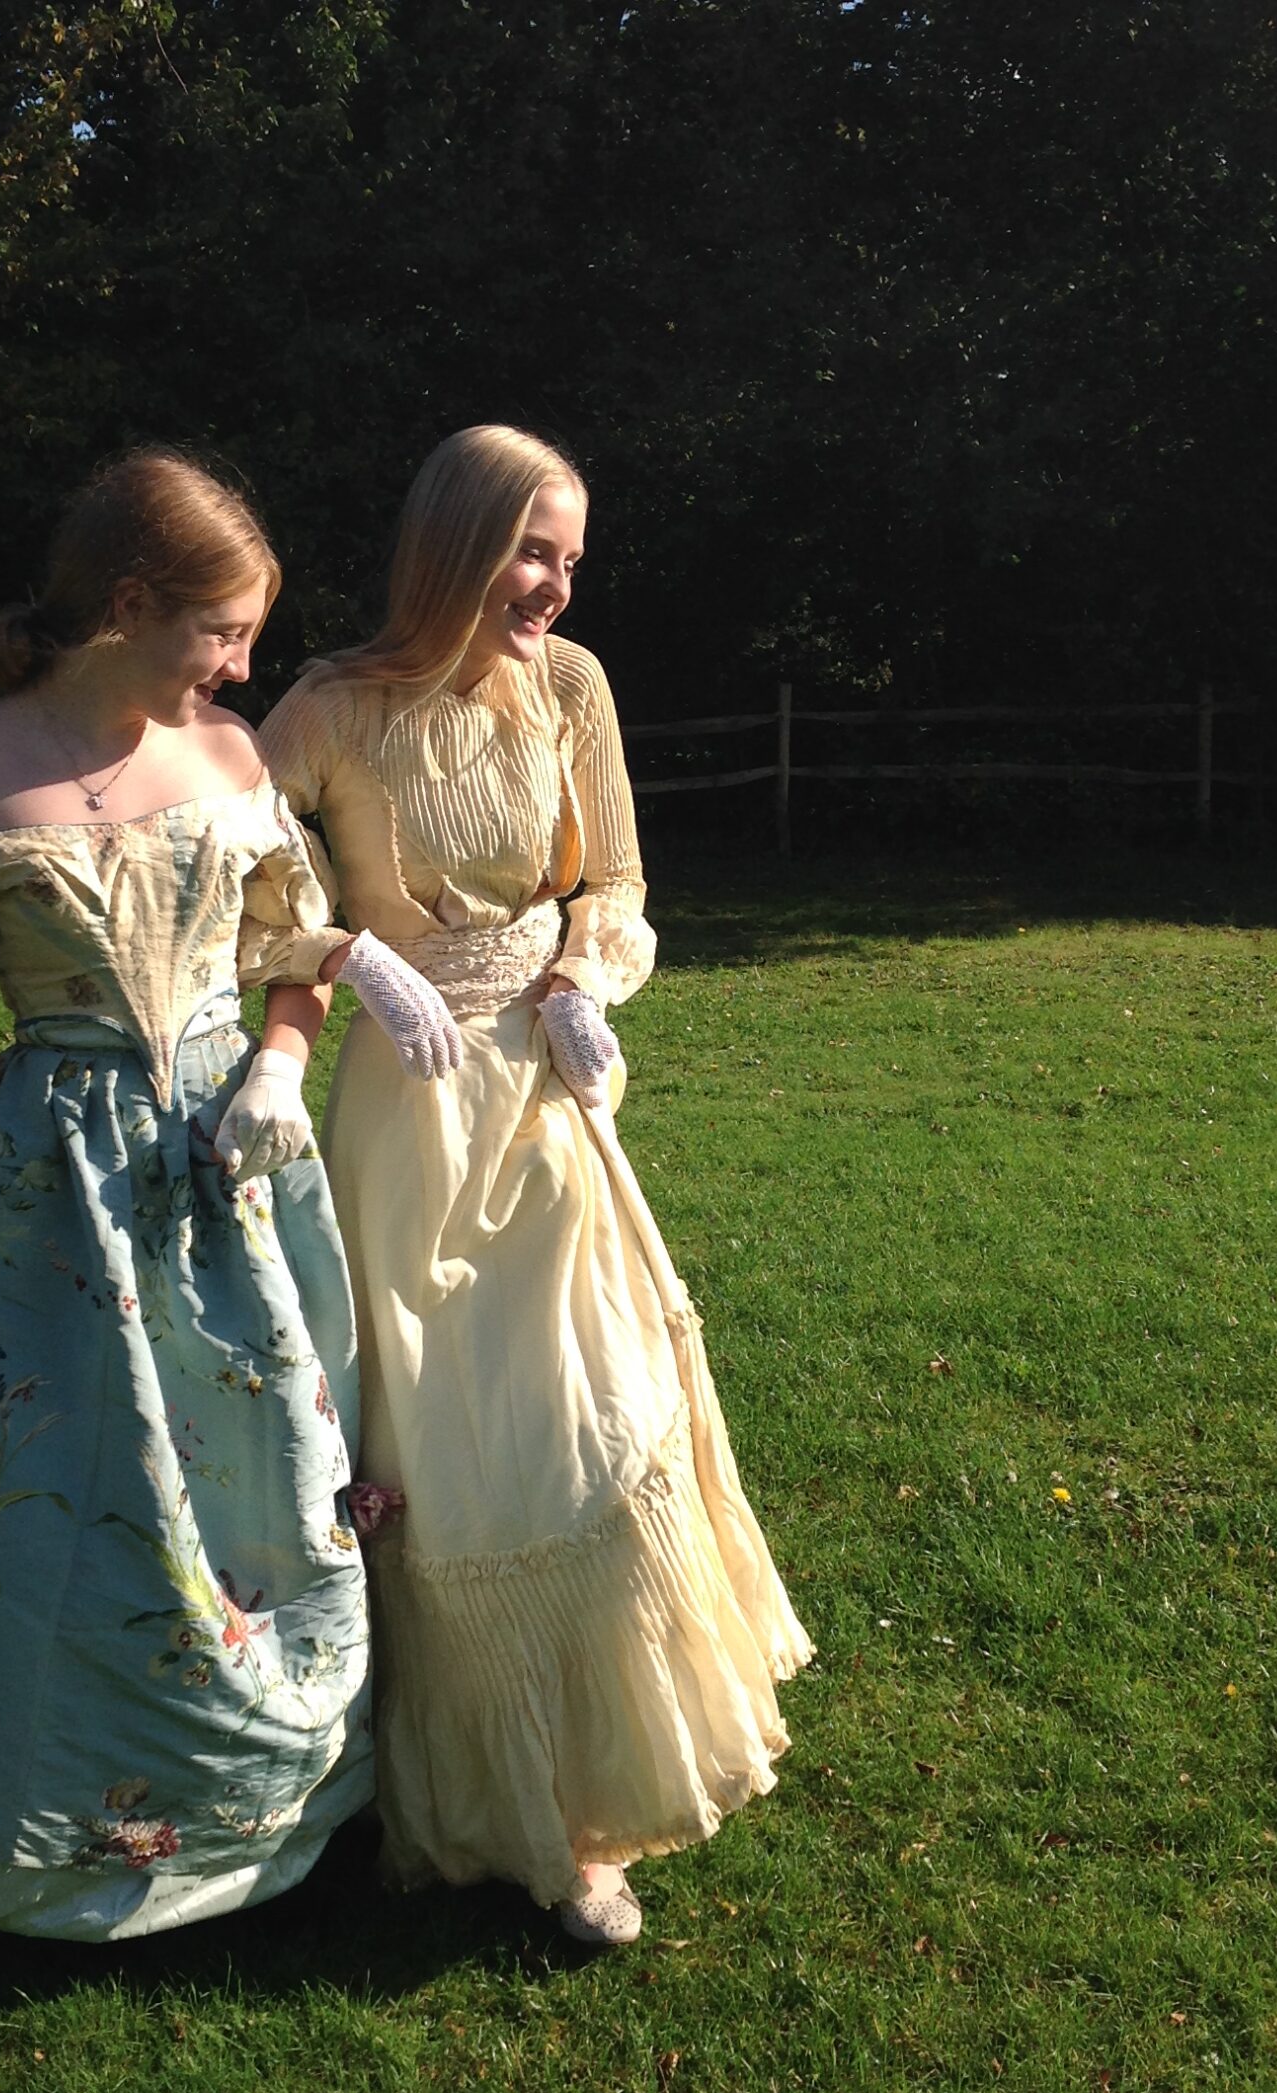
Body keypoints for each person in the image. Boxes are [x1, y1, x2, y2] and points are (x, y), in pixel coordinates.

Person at [0, 447, 465, 1942]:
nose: (244, 664)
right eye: (223, 632)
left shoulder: (234, 757)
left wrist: (278, 1072)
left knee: (265, 1480)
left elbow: (298, 956)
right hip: (58, 1186)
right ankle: (55, 1840)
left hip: (229, 1171)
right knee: (71, 1503)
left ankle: (268, 1804)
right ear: (127, 604)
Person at [260, 424, 812, 1949]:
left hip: (552, 1094)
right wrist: (343, 952)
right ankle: (461, 1796)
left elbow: (619, 879)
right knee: (454, 1448)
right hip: (410, 1111)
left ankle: (580, 1810)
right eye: (532, 551)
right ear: (453, 545)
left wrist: (586, 975)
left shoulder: (571, 690)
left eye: (572, 556)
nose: (558, 586)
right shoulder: (327, 708)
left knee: (595, 1413)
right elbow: (219, 866)